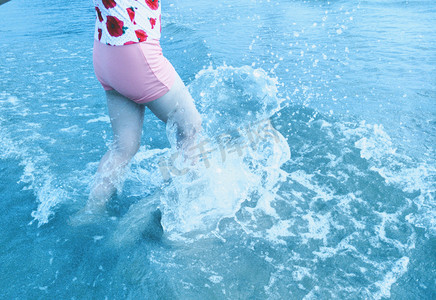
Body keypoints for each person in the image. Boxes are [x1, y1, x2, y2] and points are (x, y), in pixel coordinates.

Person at [70, 0, 202, 225]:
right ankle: (189, 215)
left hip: (105, 55)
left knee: (123, 147)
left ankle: (90, 213)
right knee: (189, 128)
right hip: (136, 52)